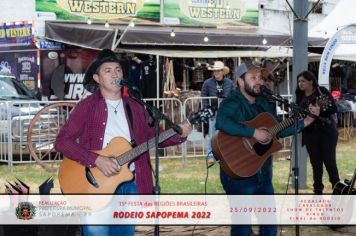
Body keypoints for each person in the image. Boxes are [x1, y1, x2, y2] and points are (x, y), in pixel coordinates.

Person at [54, 49, 192, 236]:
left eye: (118, 69)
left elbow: (154, 138)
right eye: (108, 70)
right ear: (97, 78)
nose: (115, 74)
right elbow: (62, 142)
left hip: (129, 182)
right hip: (94, 184)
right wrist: (96, 159)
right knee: (97, 233)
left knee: (124, 233)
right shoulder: (87, 107)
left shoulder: (135, 106)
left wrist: (179, 134)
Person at [215, 62, 319, 236]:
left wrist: (305, 122)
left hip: (263, 172)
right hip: (238, 173)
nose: (259, 82)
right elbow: (222, 122)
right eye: (253, 78)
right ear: (240, 82)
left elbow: (277, 129)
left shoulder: (266, 103)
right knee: (242, 227)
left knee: (269, 224)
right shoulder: (232, 101)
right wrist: (253, 132)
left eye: (260, 78)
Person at [295, 70, 340, 194]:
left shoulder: (322, 91)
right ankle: (318, 190)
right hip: (310, 134)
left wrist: (319, 110)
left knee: (329, 161)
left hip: (326, 132)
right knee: (315, 163)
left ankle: (337, 188)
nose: (300, 84)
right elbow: (298, 113)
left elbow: (333, 108)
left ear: (311, 81)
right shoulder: (300, 96)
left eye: (303, 81)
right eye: (299, 81)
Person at [200, 60, 234, 166]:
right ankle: (211, 156)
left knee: (227, 134)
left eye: (219, 71)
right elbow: (204, 96)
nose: (217, 73)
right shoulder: (207, 83)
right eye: (215, 71)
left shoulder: (229, 83)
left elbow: (233, 97)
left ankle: (226, 154)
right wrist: (207, 110)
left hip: (226, 113)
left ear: (223, 72)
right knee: (212, 134)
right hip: (213, 112)